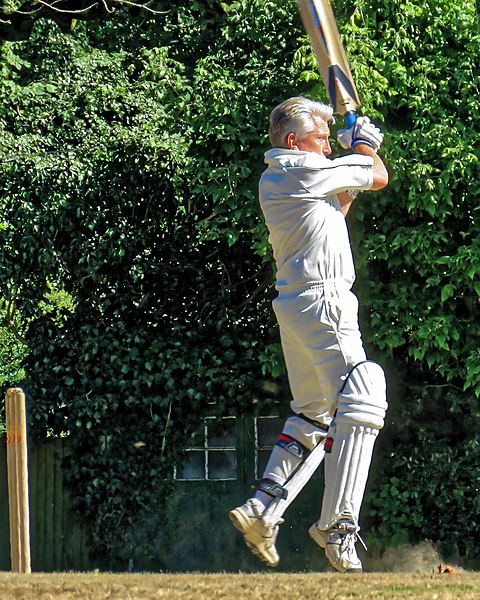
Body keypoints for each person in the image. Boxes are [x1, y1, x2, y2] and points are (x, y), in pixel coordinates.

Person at [229, 96, 389, 573]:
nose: (325, 144)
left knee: (315, 415)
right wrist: (362, 144)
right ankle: (338, 528)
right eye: (320, 137)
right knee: (364, 392)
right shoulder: (301, 167)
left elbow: (335, 209)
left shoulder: (284, 175)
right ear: (294, 141)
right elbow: (376, 175)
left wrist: (350, 156)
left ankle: (263, 509)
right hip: (324, 301)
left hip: (296, 305)